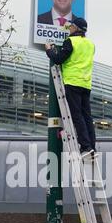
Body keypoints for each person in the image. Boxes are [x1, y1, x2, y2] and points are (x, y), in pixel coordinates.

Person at [45, 17, 96, 157]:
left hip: (73, 82)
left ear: (76, 28)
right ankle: (92, 146)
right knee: (87, 117)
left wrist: (49, 50)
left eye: (71, 26)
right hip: (86, 84)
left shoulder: (71, 41)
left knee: (77, 116)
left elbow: (58, 59)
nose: (69, 28)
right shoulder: (91, 44)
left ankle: (85, 146)